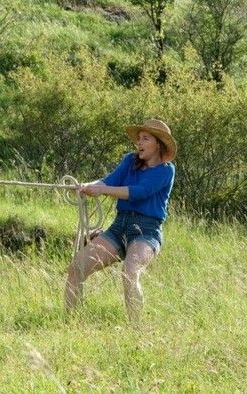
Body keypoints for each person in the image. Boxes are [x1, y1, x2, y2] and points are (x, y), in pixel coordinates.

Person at [65, 119, 177, 322]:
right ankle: (71, 323)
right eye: (139, 139)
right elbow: (108, 181)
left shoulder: (166, 170)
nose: (139, 143)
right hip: (119, 227)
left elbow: (140, 192)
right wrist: (87, 186)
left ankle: (136, 330)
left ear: (158, 144)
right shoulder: (129, 161)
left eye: (145, 139)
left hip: (147, 231)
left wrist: (102, 190)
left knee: (130, 271)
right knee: (76, 268)